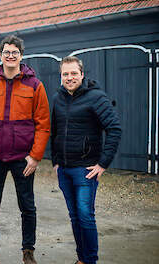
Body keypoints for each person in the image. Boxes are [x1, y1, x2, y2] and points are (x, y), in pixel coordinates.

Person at [0, 35, 50, 264]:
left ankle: (28, 252)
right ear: (0, 56)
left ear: (21, 56)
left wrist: (35, 157)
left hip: (23, 158)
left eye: (15, 52)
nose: (10, 56)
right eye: (6, 52)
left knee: (27, 206)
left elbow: (43, 124)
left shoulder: (35, 85)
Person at [51, 56, 121, 264]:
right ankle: (81, 259)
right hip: (64, 169)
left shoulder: (96, 97)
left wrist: (103, 163)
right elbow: (53, 130)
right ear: (61, 76)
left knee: (85, 216)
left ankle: (90, 260)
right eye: (66, 74)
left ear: (82, 74)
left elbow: (114, 129)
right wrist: (55, 160)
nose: (70, 77)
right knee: (74, 217)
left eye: (74, 73)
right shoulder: (57, 98)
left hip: (85, 170)